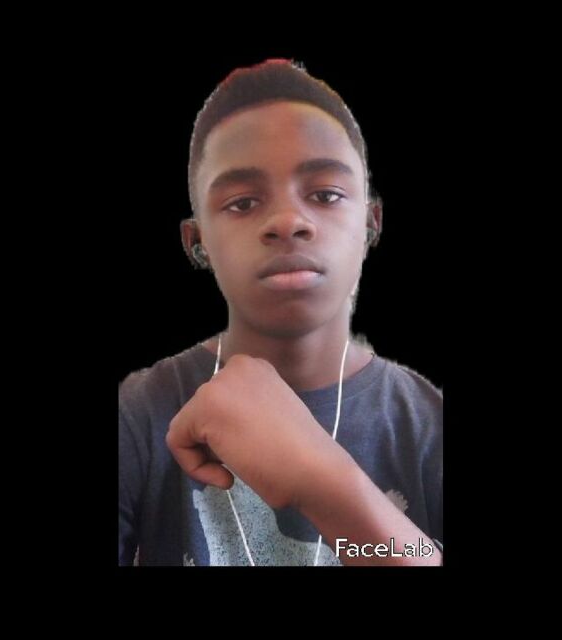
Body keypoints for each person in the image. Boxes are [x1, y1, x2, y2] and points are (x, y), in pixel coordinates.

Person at [119, 59, 443, 566]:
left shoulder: (430, 425)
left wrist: (320, 480)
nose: (288, 220)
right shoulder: (137, 414)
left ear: (372, 223)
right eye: (243, 203)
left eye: (326, 195)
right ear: (196, 241)